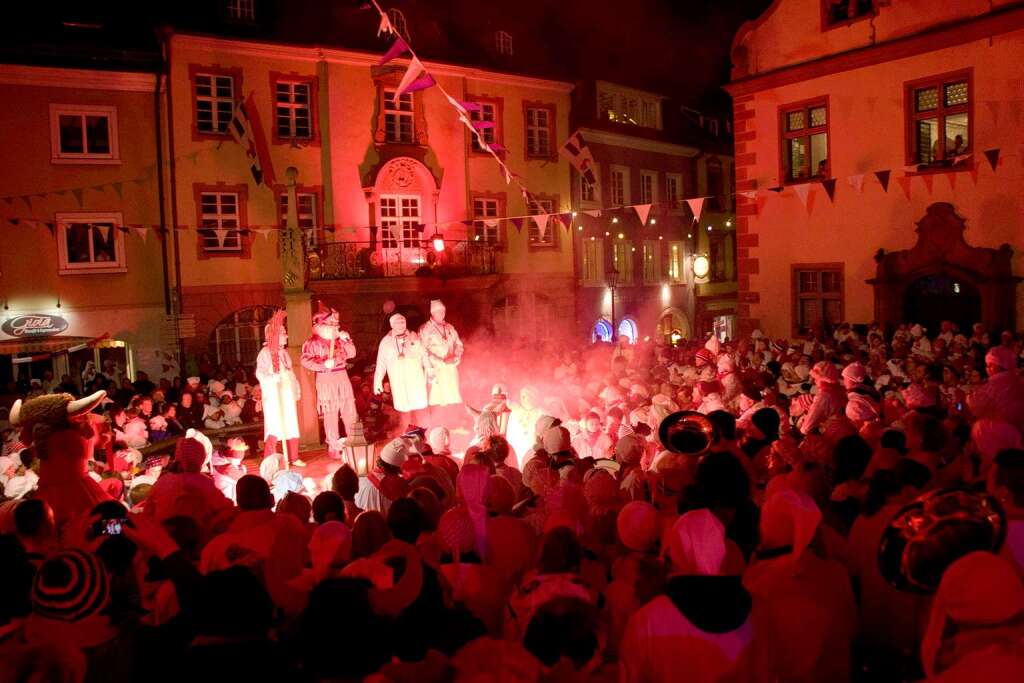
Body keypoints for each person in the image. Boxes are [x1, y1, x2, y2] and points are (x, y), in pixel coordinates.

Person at [301, 303, 358, 462]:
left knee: (349, 409)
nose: (335, 326)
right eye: (332, 323)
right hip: (326, 378)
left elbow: (352, 353)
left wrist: (347, 340)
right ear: (323, 323)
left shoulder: (340, 339)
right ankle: (333, 445)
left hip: (341, 376)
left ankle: (354, 440)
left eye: (336, 323)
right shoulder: (312, 342)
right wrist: (322, 365)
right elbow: (305, 361)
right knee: (330, 412)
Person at [256, 310, 304, 468]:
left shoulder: (284, 353)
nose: (286, 335)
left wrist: (296, 388)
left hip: (286, 396)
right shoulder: (264, 353)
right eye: (283, 332)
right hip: (274, 398)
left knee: (291, 424)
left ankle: (293, 456)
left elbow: (290, 373)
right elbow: (260, 374)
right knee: (275, 426)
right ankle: (269, 459)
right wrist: (272, 378)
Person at [374, 313, 430, 432]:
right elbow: (381, 363)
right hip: (399, 380)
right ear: (392, 325)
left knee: (420, 409)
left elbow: (424, 354)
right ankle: (408, 436)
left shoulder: (414, 337)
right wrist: (377, 381)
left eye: (403, 322)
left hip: (415, 379)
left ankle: (426, 434)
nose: (401, 325)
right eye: (398, 323)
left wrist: (429, 370)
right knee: (405, 411)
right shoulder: (386, 342)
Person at [420, 299, 464, 409]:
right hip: (435, 368)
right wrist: (430, 370)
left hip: (450, 368)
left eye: (443, 311)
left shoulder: (449, 327)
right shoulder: (425, 329)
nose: (442, 313)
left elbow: (459, 345)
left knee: (452, 399)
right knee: (436, 400)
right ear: (432, 313)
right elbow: (423, 351)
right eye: (439, 311)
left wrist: (457, 357)